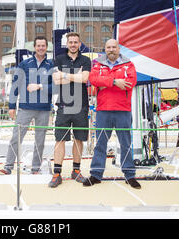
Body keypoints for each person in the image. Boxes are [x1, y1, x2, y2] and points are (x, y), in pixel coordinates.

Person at [84, 39, 140, 189]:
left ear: (118, 48)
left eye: (113, 47)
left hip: (123, 110)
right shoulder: (97, 64)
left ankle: (130, 175)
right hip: (103, 110)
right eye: (108, 47)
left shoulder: (129, 64)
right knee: (100, 144)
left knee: (126, 144)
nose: (111, 50)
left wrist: (105, 84)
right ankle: (96, 174)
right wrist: (115, 82)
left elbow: (131, 81)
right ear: (105, 49)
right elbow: (93, 78)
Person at [0, 36, 54, 175]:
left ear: (46, 47)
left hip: (44, 109)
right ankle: (8, 167)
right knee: (16, 138)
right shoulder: (24, 64)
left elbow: (56, 87)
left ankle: (36, 169)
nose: (41, 48)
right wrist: (11, 106)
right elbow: (16, 85)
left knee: (39, 141)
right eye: (38, 45)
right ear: (34, 47)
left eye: (43, 46)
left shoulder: (51, 65)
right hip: (25, 108)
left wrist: (40, 87)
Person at [48, 32, 91, 188]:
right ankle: (57, 173)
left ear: (80, 44)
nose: (73, 44)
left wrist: (64, 75)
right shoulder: (59, 59)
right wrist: (75, 75)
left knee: (79, 139)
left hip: (81, 105)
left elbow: (85, 79)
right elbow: (55, 79)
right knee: (60, 139)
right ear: (67, 44)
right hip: (64, 105)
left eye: (76, 42)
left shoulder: (86, 60)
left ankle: (76, 171)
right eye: (70, 42)